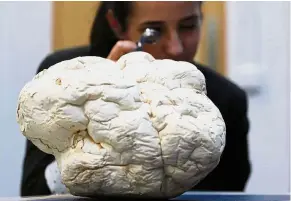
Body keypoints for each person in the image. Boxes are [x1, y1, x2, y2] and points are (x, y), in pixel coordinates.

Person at [20, 1, 251, 196]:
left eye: (188, 26)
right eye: (154, 31)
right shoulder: (63, 80)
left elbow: (226, 193)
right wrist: (96, 110)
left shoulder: (225, 100)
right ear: (116, 25)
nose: (176, 47)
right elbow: (33, 192)